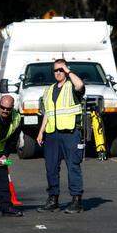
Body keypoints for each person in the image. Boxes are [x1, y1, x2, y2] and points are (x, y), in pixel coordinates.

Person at [36, 58, 86, 214]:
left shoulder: (72, 86)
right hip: (52, 135)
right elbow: (47, 113)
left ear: (66, 70)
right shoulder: (49, 90)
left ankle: (76, 200)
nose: (58, 73)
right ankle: (53, 199)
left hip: (70, 133)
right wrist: (41, 131)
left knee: (73, 166)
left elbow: (80, 85)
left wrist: (69, 70)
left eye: (61, 70)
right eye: (56, 70)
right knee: (51, 167)